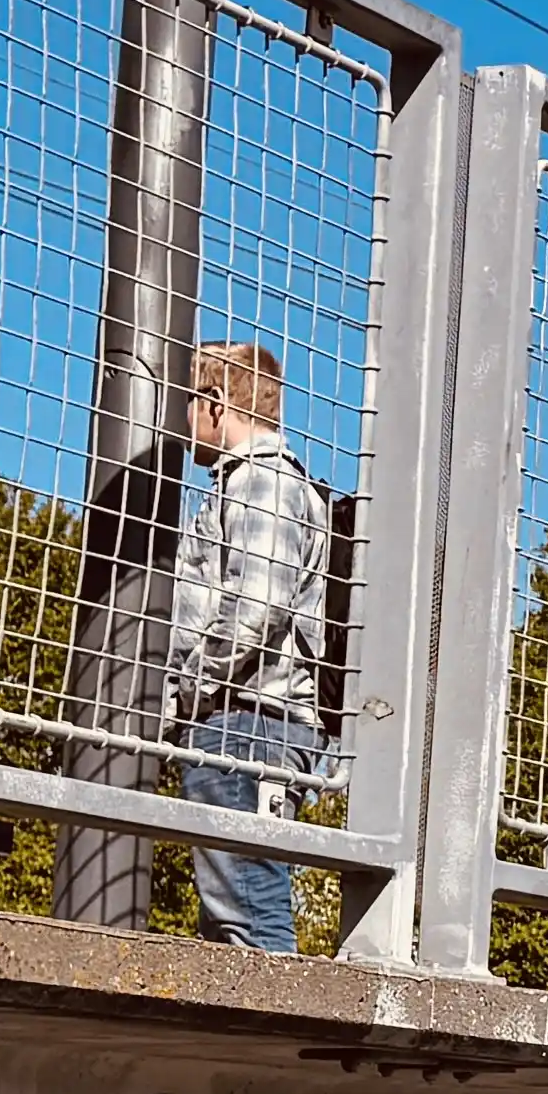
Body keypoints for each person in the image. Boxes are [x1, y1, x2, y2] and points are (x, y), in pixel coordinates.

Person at [166, 338, 336, 954]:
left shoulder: (261, 483)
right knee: (232, 918)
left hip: (246, 720)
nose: (180, 419)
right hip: (249, 719)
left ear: (214, 403)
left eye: (187, 402)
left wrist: (191, 687)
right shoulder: (257, 484)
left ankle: (286, 1047)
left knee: (249, 916)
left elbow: (255, 606)